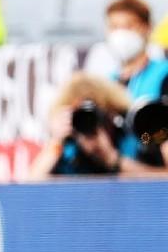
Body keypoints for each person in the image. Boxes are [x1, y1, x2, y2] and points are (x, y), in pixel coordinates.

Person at [26, 72, 163, 178]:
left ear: (111, 113)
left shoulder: (133, 140)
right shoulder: (68, 148)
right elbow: (30, 187)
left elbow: (162, 182)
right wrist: (55, 142)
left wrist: (113, 160)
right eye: (80, 117)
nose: (89, 124)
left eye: (96, 116)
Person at [104, 0, 168, 165]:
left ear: (147, 28)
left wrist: (150, 139)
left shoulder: (164, 74)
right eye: (114, 27)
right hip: (113, 173)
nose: (120, 34)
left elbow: (161, 135)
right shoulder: (107, 84)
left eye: (128, 26)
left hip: (153, 171)